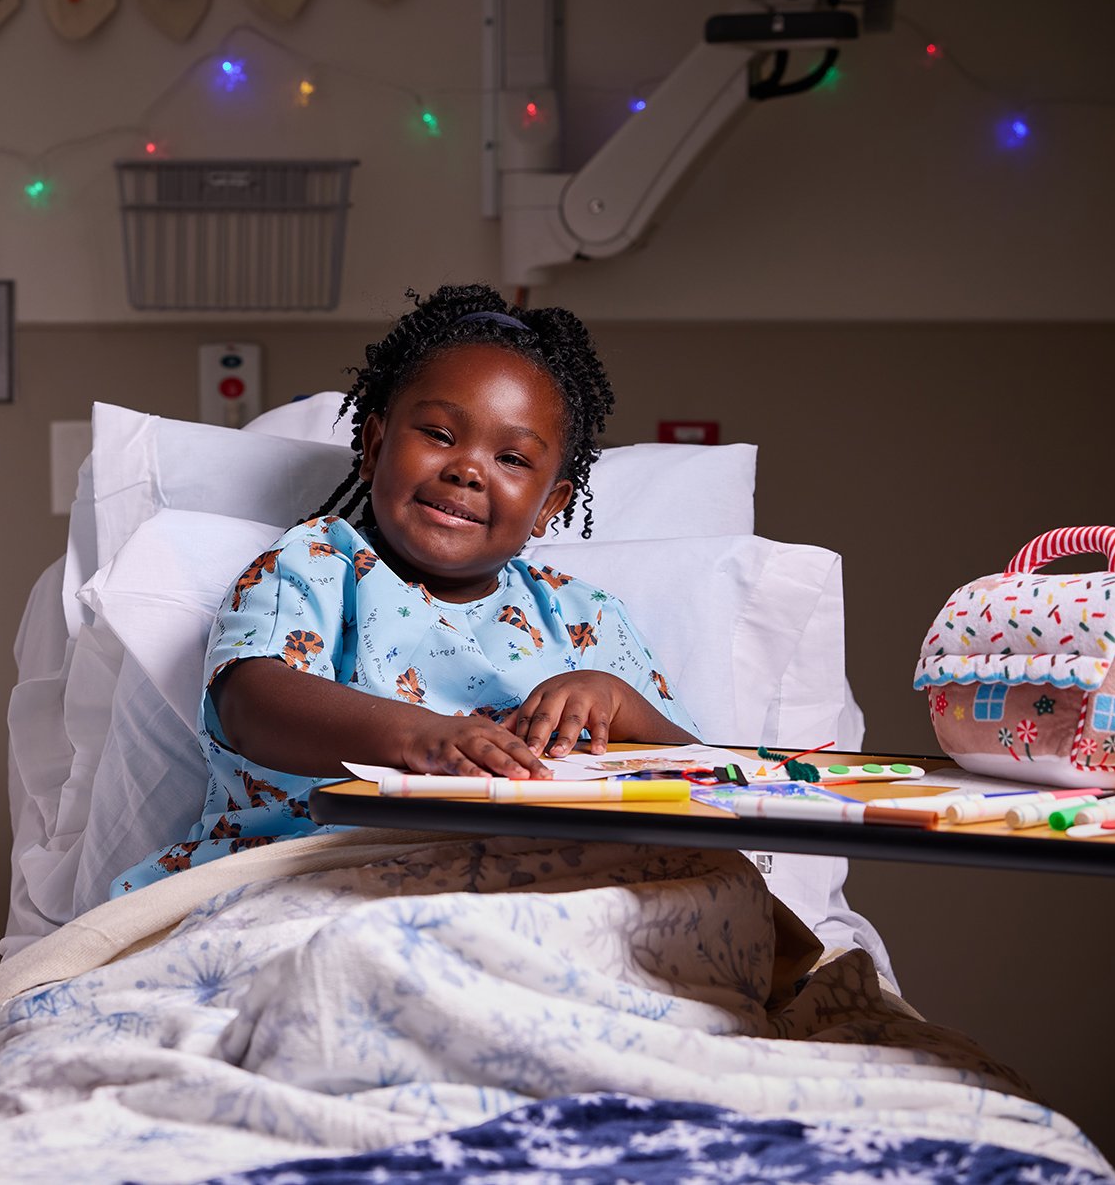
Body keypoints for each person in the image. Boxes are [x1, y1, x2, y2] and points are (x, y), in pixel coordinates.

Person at [112, 285, 698, 894]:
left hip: (540, 873)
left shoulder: (585, 618)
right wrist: (421, 737)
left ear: (551, 504)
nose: (467, 470)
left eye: (513, 459)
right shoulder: (316, 567)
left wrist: (617, 699)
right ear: (373, 446)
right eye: (440, 435)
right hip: (324, 865)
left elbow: (704, 773)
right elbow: (250, 703)